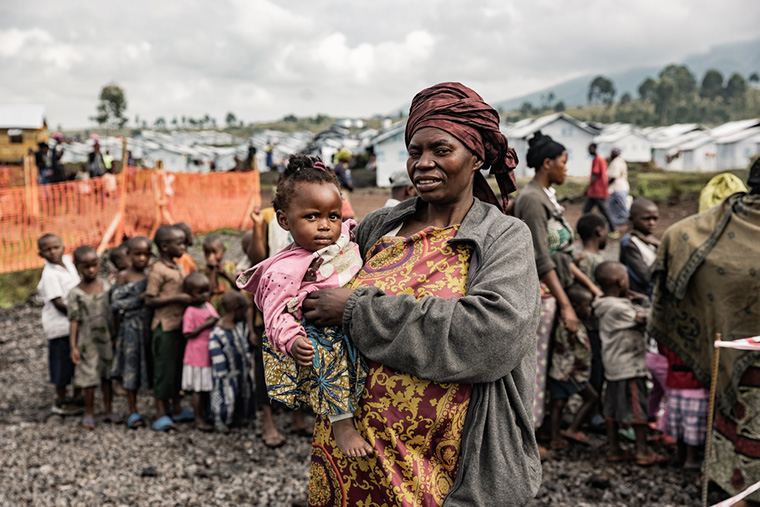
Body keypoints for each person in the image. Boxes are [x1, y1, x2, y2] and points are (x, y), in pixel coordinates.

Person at [301, 82, 541, 506]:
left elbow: (491, 336)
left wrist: (357, 312)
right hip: (352, 458)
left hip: (439, 474)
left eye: (441, 150)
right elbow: (319, 285)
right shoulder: (380, 226)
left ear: (477, 156)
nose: (423, 163)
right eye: (415, 152)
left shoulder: (502, 235)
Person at [237, 154, 369, 457]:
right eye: (312, 217)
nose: (325, 226)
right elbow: (274, 314)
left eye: (332, 216)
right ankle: (342, 424)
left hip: (354, 319)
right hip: (321, 334)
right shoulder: (284, 269)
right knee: (329, 353)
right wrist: (293, 340)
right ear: (284, 220)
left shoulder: (347, 236)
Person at [649, 159, 760, 504]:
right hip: (742, 364)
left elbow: (675, 242)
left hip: (733, 363)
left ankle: (736, 491)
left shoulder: (704, 230)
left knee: (736, 433)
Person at [514, 131, 602, 433]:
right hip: (543, 294)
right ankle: (531, 433)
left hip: (555, 291)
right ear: (547, 163)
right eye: (564, 162)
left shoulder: (546, 197)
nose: (567, 168)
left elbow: (561, 253)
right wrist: (566, 305)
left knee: (551, 362)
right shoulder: (532, 200)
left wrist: (591, 288)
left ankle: (546, 424)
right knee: (536, 365)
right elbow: (541, 256)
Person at [592, 261, 664, 466]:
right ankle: (642, 451)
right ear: (622, 281)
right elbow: (647, 318)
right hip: (630, 367)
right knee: (637, 407)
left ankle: (614, 448)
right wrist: (644, 300)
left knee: (612, 407)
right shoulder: (618, 309)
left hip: (613, 366)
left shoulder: (603, 304)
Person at [144, 225, 193, 431]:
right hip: (164, 327)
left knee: (176, 370)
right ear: (165, 246)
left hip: (179, 326)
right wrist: (177, 298)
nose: (184, 246)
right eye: (179, 243)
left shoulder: (178, 266)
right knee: (163, 371)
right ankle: (160, 413)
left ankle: (177, 408)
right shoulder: (158, 270)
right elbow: (149, 299)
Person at [68, 246, 120, 429]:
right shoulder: (75, 293)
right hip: (86, 341)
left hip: (107, 338)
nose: (90, 270)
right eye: (85, 266)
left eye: (94, 265)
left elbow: (114, 313)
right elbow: (73, 320)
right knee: (89, 377)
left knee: (107, 375)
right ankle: (89, 412)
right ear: (77, 267)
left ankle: (108, 409)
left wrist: (116, 335)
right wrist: (73, 346)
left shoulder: (106, 287)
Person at [547, 283, 598, 450]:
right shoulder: (570, 325)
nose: (590, 309)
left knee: (558, 403)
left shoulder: (564, 320)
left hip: (558, 371)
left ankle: (555, 438)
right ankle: (572, 429)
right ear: (575, 306)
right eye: (588, 305)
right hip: (571, 373)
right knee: (592, 398)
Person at [110, 236, 153, 429]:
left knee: (149, 365)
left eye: (146, 254)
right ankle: (133, 410)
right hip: (131, 328)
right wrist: (139, 299)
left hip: (149, 326)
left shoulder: (151, 275)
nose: (142, 258)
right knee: (131, 369)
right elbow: (115, 304)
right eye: (138, 254)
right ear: (129, 255)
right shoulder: (124, 276)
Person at [37, 233, 82, 415]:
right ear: (41, 254)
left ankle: (78, 397)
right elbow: (58, 303)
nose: (53, 252)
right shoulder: (49, 275)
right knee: (61, 362)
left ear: (63, 247)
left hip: (75, 323)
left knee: (78, 359)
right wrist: (78, 315)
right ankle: (61, 399)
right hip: (61, 326)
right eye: (47, 249)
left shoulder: (68, 263)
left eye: (55, 247)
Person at [575, 212, 609, 427]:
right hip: (596, 326)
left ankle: (589, 409)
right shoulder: (599, 262)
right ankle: (594, 413)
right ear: (599, 231)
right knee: (597, 369)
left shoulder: (577, 259)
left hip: (580, 324)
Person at [209, 292, 255, 433]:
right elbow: (215, 353)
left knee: (243, 394)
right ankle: (220, 420)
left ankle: (238, 417)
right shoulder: (217, 332)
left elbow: (243, 344)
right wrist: (222, 372)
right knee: (225, 397)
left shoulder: (238, 327)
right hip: (226, 376)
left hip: (240, 371)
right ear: (236, 309)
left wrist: (247, 357)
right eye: (244, 310)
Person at [181, 272, 219, 432]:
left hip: (208, 353)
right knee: (198, 388)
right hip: (196, 354)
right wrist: (205, 325)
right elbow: (187, 333)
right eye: (200, 292)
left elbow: (216, 319)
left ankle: (205, 414)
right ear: (189, 294)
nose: (205, 295)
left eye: (207, 291)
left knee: (206, 387)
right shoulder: (190, 311)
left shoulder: (208, 306)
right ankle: (198, 418)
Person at [660, 345, 708, 469]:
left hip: (676, 382)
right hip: (695, 384)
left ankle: (680, 455)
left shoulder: (673, 334)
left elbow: (663, 346)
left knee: (679, 422)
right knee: (692, 425)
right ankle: (691, 458)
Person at [619, 199, 659, 295]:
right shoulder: (629, 243)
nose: (652, 223)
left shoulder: (649, 239)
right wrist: (661, 249)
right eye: (646, 219)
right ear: (632, 219)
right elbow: (647, 277)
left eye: (655, 218)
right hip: (641, 296)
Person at [583, 143, 616, 235]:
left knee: (603, 210)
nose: (589, 151)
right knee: (587, 210)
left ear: (594, 148)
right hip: (596, 191)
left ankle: (613, 229)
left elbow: (596, 174)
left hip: (597, 190)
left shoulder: (598, 159)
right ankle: (585, 228)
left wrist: (588, 187)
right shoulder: (600, 159)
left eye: (590, 149)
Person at [201, 235, 238, 313]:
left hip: (230, 309)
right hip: (213, 310)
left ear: (223, 251)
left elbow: (237, 287)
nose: (211, 256)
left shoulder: (229, 266)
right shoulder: (203, 272)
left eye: (214, 252)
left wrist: (225, 274)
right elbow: (212, 290)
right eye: (207, 253)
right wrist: (213, 270)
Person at [606, 147, 630, 227]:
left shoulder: (616, 162)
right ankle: (615, 221)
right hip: (619, 188)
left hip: (618, 188)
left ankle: (629, 219)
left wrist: (606, 185)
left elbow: (614, 176)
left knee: (621, 206)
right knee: (611, 205)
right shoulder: (620, 161)